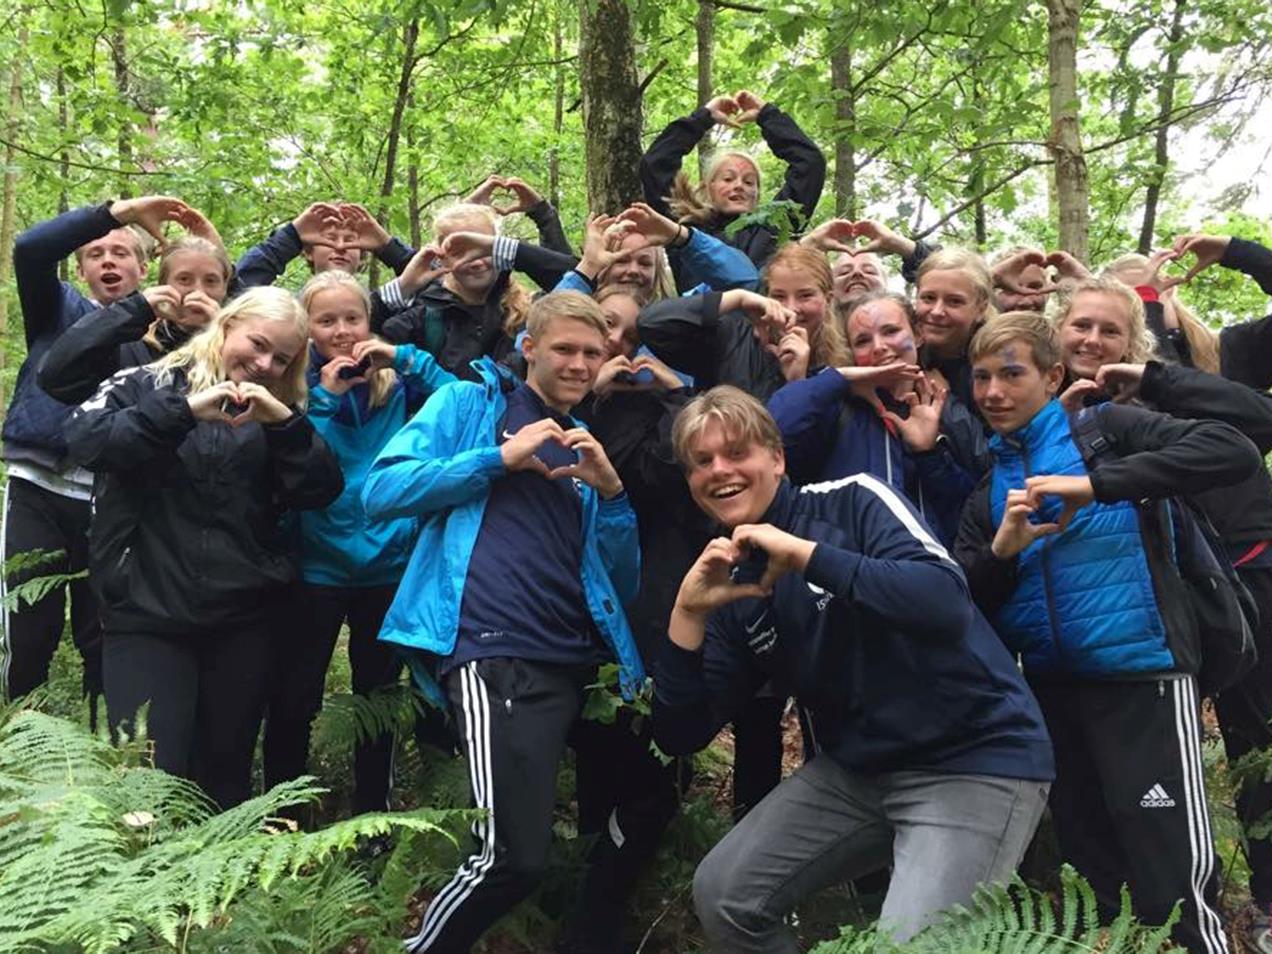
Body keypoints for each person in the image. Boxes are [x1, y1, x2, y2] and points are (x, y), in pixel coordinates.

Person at [653, 385, 1053, 950]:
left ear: (777, 458)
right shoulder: (731, 584)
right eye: (702, 461)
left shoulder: (851, 500)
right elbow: (681, 734)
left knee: (907, 948)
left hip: (973, 759)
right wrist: (687, 614)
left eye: (737, 452)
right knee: (726, 894)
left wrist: (806, 556)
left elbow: (944, 601)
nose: (720, 470)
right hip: (858, 772)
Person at [954, 310, 1261, 954]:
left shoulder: (1107, 431)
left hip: (1144, 679)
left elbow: (1231, 450)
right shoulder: (986, 490)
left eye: (1011, 374)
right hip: (1054, 697)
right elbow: (966, 605)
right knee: (1099, 884)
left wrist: (1096, 486)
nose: (993, 392)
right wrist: (1001, 552)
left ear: (1052, 377)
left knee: (1172, 881)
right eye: (981, 377)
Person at [362, 291, 644, 953]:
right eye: (564, 349)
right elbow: (381, 491)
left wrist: (612, 494)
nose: (578, 364)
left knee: (638, 797)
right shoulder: (470, 405)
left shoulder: (583, 445)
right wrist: (497, 459)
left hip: (573, 662)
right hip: (493, 650)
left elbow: (619, 582)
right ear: (529, 348)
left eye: (592, 353)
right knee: (509, 857)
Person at [1054, 276, 1272, 952]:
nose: (1092, 340)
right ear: (1056, 331)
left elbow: (1254, 429)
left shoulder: (1153, 403)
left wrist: (1152, 381)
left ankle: (1250, 906)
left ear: (1135, 342)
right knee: (1097, 807)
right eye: (1080, 326)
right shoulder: (1029, 406)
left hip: (1188, 615)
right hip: (1080, 641)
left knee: (1244, 749)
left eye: (1109, 330)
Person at [64, 286, 343, 809]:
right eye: (257, 344)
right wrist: (185, 412)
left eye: (281, 359)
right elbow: (85, 439)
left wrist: (284, 426)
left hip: (243, 622)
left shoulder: (280, 412)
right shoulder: (146, 382)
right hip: (144, 614)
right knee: (146, 784)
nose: (264, 364)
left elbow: (321, 490)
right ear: (228, 325)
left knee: (223, 784)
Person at [260, 270, 457, 816]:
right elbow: (299, 461)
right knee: (295, 695)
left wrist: (405, 358)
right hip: (317, 567)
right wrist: (327, 396)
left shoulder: (398, 386)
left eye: (353, 318)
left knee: (378, 699)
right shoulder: (294, 389)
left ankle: (373, 812)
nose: (343, 331)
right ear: (307, 331)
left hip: (386, 567)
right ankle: (283, 812)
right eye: (326, 320)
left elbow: (460, 401)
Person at [2, 196, 185, 706]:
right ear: (80, 270)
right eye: (95, 254)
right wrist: (118, 213)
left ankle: (103, 744)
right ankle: (19, 734)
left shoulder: (165, 336)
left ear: (144, 269)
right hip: (38, 487)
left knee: (103, 635)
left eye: (121, 252)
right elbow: (30, 249)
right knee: (28, 629)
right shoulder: (58, 309)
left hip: (113, 498)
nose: (108, 261)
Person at [768, 291, 985, 544]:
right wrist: (840, 378)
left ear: (917, 335)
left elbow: (969, 512)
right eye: (862, 341)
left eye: (891, 331)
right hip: (850, 562)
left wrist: (929, 455)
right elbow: (773, 436)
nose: (879, 347)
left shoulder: (947, 408)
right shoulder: (835, 405)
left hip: (925, 563)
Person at [639, 90, 826, 287]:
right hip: (703, 307)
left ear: (757, 194)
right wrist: (703, 117)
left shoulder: (774, 227)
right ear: (709, 188)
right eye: (728, 179)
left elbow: (810, 164)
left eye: (749, 182)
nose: (738, 186)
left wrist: (767, 114)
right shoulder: (686, 226)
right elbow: (655, 164)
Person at [40, 230, 232, 404]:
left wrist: (220, 332)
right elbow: (55, 377)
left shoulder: (240, 347)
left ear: (224, 288)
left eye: (211, 281)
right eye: (184, 279)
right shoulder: (129, 344)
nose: (198, 291)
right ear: (164, 286)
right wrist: (136, 309)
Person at [638, 243, 846, 402]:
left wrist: (797, 383)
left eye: (805, 295)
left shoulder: (840, 365)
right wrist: (738, 298)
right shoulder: (731, 337)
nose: (791, 308)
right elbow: (651, 323)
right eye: (779, 296)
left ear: (828, 299)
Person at [373, 203, 532, 380]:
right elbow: (361, 338)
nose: (476, 262)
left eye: (484, 249)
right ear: (441, 258)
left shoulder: (528, 314)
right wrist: (403, 286)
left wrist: (542, 214)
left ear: (500, 249)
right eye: (460, 253)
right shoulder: (426, 316)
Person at [913, 247, 996, 414]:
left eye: (954, 301)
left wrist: (945, 400)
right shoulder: (899, 350)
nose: (937, 312)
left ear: (981, 309)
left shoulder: (995, 364)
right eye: (928, 298)